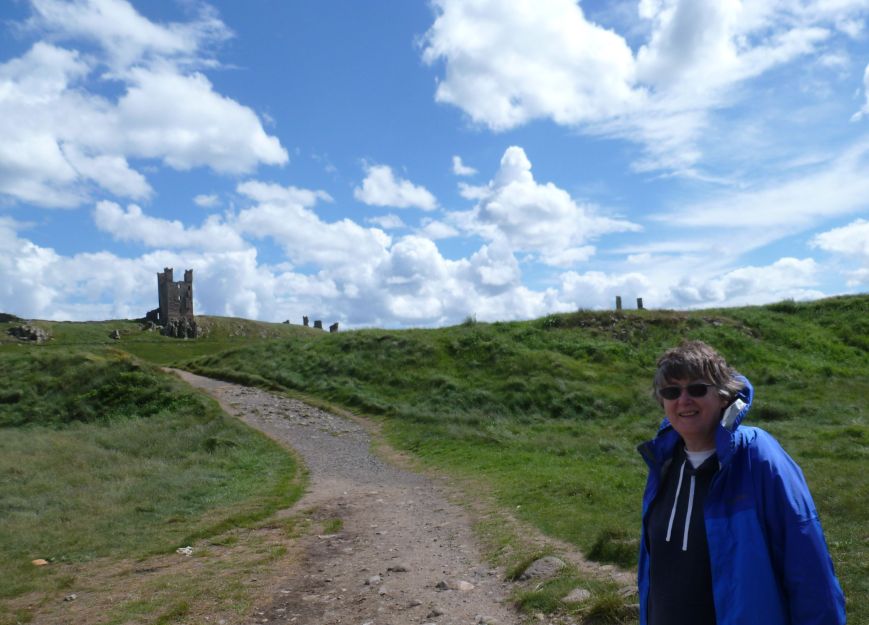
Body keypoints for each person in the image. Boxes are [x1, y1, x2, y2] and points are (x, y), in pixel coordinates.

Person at [637, 340, 846, 624]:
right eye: (672, 392)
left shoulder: (757, 455)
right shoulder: (664, 463)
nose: (683, 400)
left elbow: (809, 568)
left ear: (724, 396)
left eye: (697, 389)